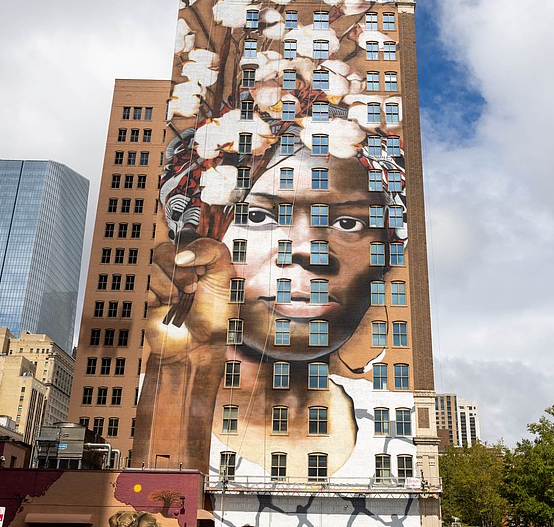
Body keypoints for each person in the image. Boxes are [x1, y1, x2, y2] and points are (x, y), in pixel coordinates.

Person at [136, 127, 406, 478]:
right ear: (199, 240)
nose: (309, 249)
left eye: (348, 222)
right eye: (258, 216)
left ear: (383, 257)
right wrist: (182, 370)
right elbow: (160, 515)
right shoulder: (142, 398)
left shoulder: (396, 425)